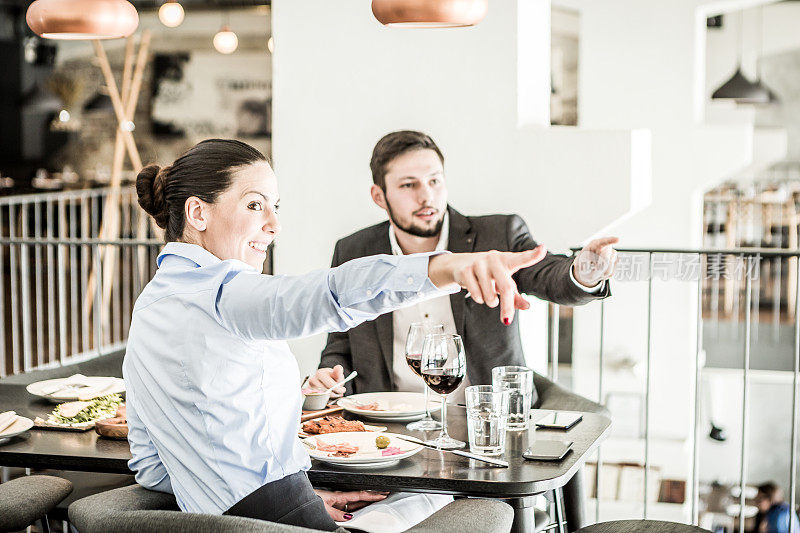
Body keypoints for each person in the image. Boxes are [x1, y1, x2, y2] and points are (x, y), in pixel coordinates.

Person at [123, 138, 548, 531]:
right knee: (468, 508)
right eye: (255, 206)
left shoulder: (149, 306)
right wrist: (444, 268)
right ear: (199, 213)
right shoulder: (223, 293)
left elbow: (150, 464)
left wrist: (286, 503)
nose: (274, 225)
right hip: (275, 517)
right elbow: (329, 294)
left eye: (275, 207)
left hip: (228, 520)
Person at [309, 130, 618, 401]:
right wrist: (329, 375)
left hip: (488, 422)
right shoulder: (354, 251)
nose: (426, 195)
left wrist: (583, 272)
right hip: (392, 430)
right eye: (408, 185)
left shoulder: (498, 234)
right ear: (379, 196)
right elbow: (340, 343)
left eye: (434, 181)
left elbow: (550, 275)